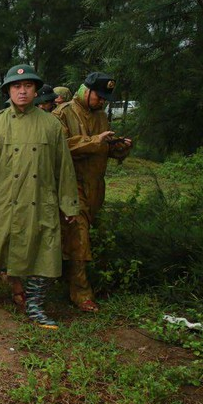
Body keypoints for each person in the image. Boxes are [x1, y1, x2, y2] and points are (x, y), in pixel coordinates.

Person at [0, 64, 79, 329]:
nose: (22, 91)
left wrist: (69, 204)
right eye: (17, 86)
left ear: (36, 90)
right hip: (3, 200)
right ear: (8, 90)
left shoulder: (51, 125)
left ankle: (35, 305)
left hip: (40, 200)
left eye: (28, 86)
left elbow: (63, 168)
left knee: (44, 252)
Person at [53, 72, 132, 312]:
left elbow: (104, 148)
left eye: (105, 98)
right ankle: (81, 293)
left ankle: (68, 277)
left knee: (88, 237)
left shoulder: (100, 116)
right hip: (72, 186)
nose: (102, 102)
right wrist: (95, 141)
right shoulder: (62, 114)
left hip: (96, 187)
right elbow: (61, 148)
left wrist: (118, 147)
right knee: (79, 238)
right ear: (85, 90)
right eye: (99, 96)